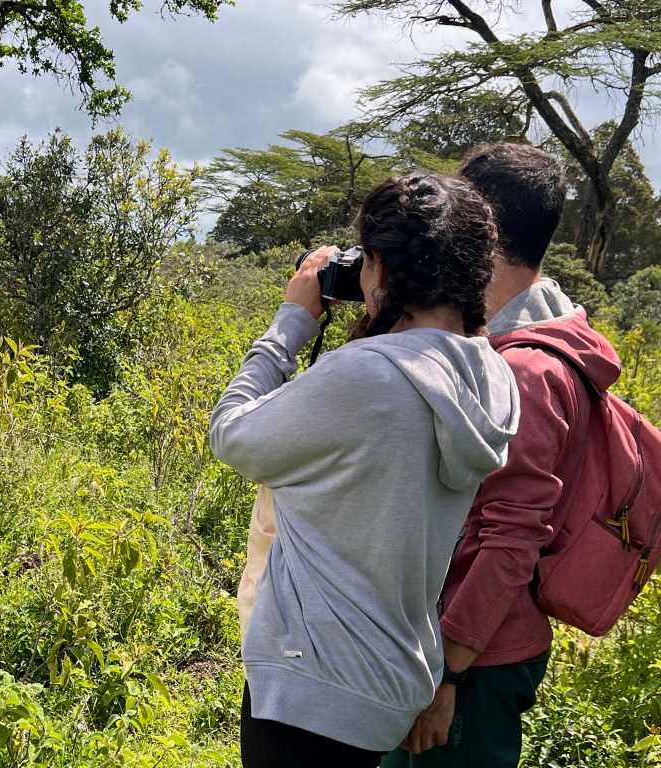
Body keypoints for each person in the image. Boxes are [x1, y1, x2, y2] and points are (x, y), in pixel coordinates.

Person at [210, 172, 521, 767]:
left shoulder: (370, 375)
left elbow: (231, 434)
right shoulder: (493, 379)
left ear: (380, 269)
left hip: (311, 685)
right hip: (390, 680)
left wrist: (292, 322)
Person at [382, 143, 623, 768]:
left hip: (472, 657)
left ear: (481, 223)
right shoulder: (528, 338)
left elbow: (512, 539)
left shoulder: (527, 370)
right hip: (450, 643)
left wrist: (448, 674)